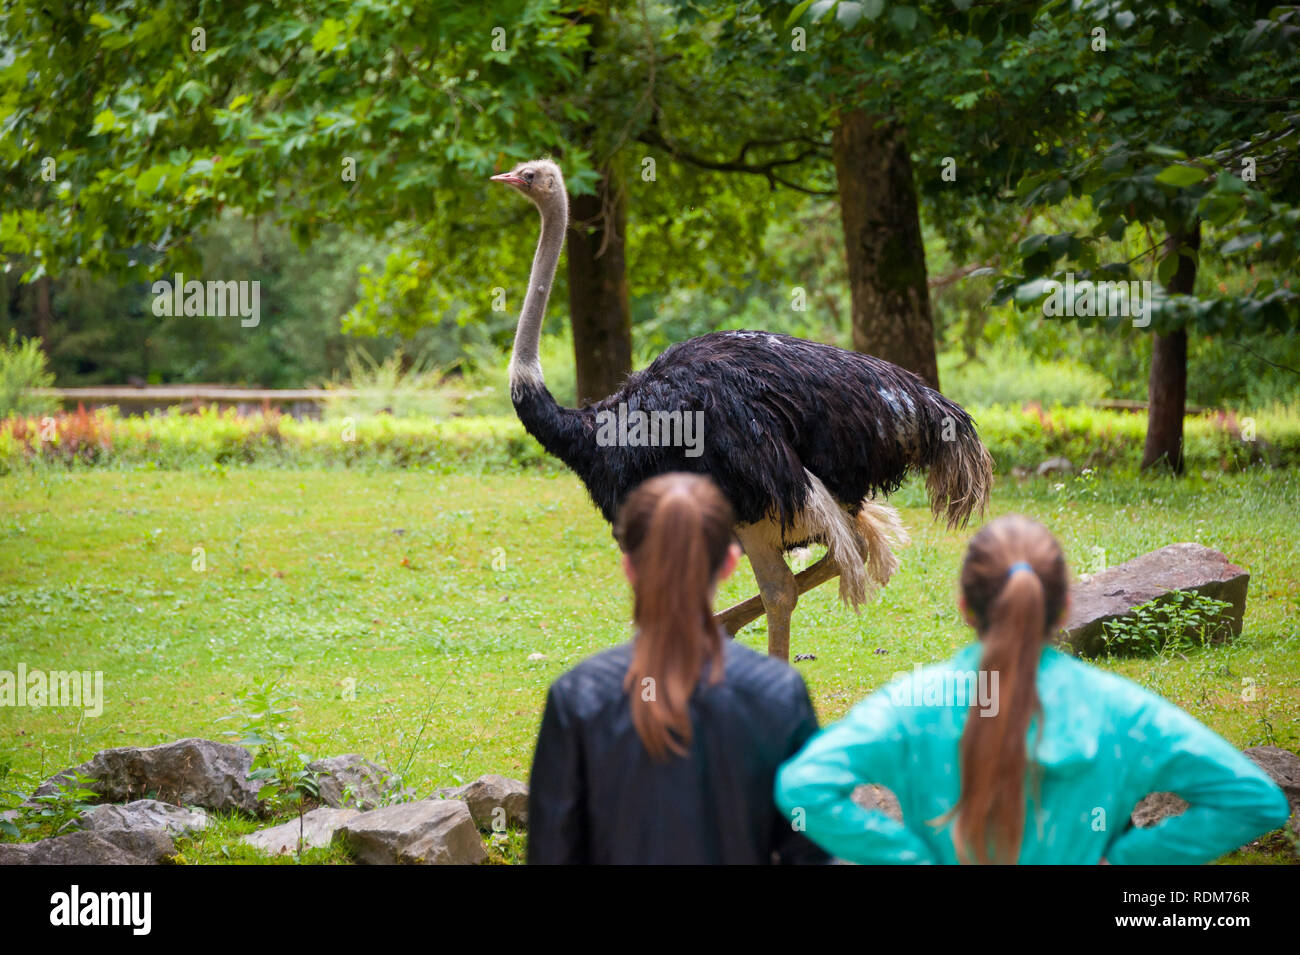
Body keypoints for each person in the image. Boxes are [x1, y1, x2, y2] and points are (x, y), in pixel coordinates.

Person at [775, 515, 1290, 864]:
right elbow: (1256, 802)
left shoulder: (915, 704)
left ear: (963, 606)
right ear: (1064, 607)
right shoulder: (1121, 711)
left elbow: (803, 786)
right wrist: (1126, 857)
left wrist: (911, 855)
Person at [526, 473, 829, 864]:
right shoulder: (780, 694)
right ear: (729, 563)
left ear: (629, 566)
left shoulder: (576, 699)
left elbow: (552, 850)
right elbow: (806, 847)